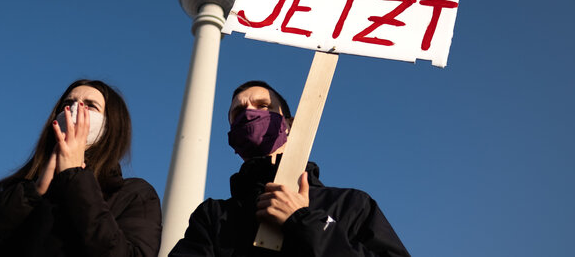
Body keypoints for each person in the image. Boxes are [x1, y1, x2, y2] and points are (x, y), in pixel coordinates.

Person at [168, 80, 410, 257]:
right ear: (232, 138)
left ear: (289, 125)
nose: (250, 114)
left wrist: (307, 223)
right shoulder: (214, 216)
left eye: (263, 106)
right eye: (238, 112)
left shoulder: (351, 204)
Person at [0, 79, 162, 257]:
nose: (75, 110)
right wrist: (31, 193)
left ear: (112, 127)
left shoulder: (134, 195)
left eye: (90, 106)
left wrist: (75, 179)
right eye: (68, 104)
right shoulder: (9, 190)